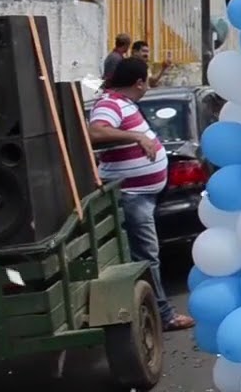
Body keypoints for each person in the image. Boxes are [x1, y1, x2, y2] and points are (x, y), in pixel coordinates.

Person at [86, 57, 195, 332]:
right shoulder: (110, 103)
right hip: (133, 196)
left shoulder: (122, 103)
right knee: (147, 257)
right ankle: (164, 315)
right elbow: (96, 131)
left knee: (147, 255)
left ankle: (157, 311)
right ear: (138, 82)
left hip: (144, 196)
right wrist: (138, 138)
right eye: (146, 80)